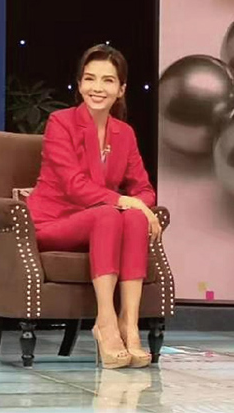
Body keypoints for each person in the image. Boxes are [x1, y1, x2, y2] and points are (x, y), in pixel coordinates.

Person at [27, 45, 162, 369]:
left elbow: (144, 189)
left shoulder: (124, 134)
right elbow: (74, 185)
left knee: (132, 219)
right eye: (89, 79)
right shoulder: (60, 122)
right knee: (111, 213)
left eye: (108, 80)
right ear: (79, 84)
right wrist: (126, 201)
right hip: (54, 222)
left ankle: (130, 324)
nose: (97, 88)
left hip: (101, 223)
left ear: (121, 89)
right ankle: (105, 322)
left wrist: (138, 206)